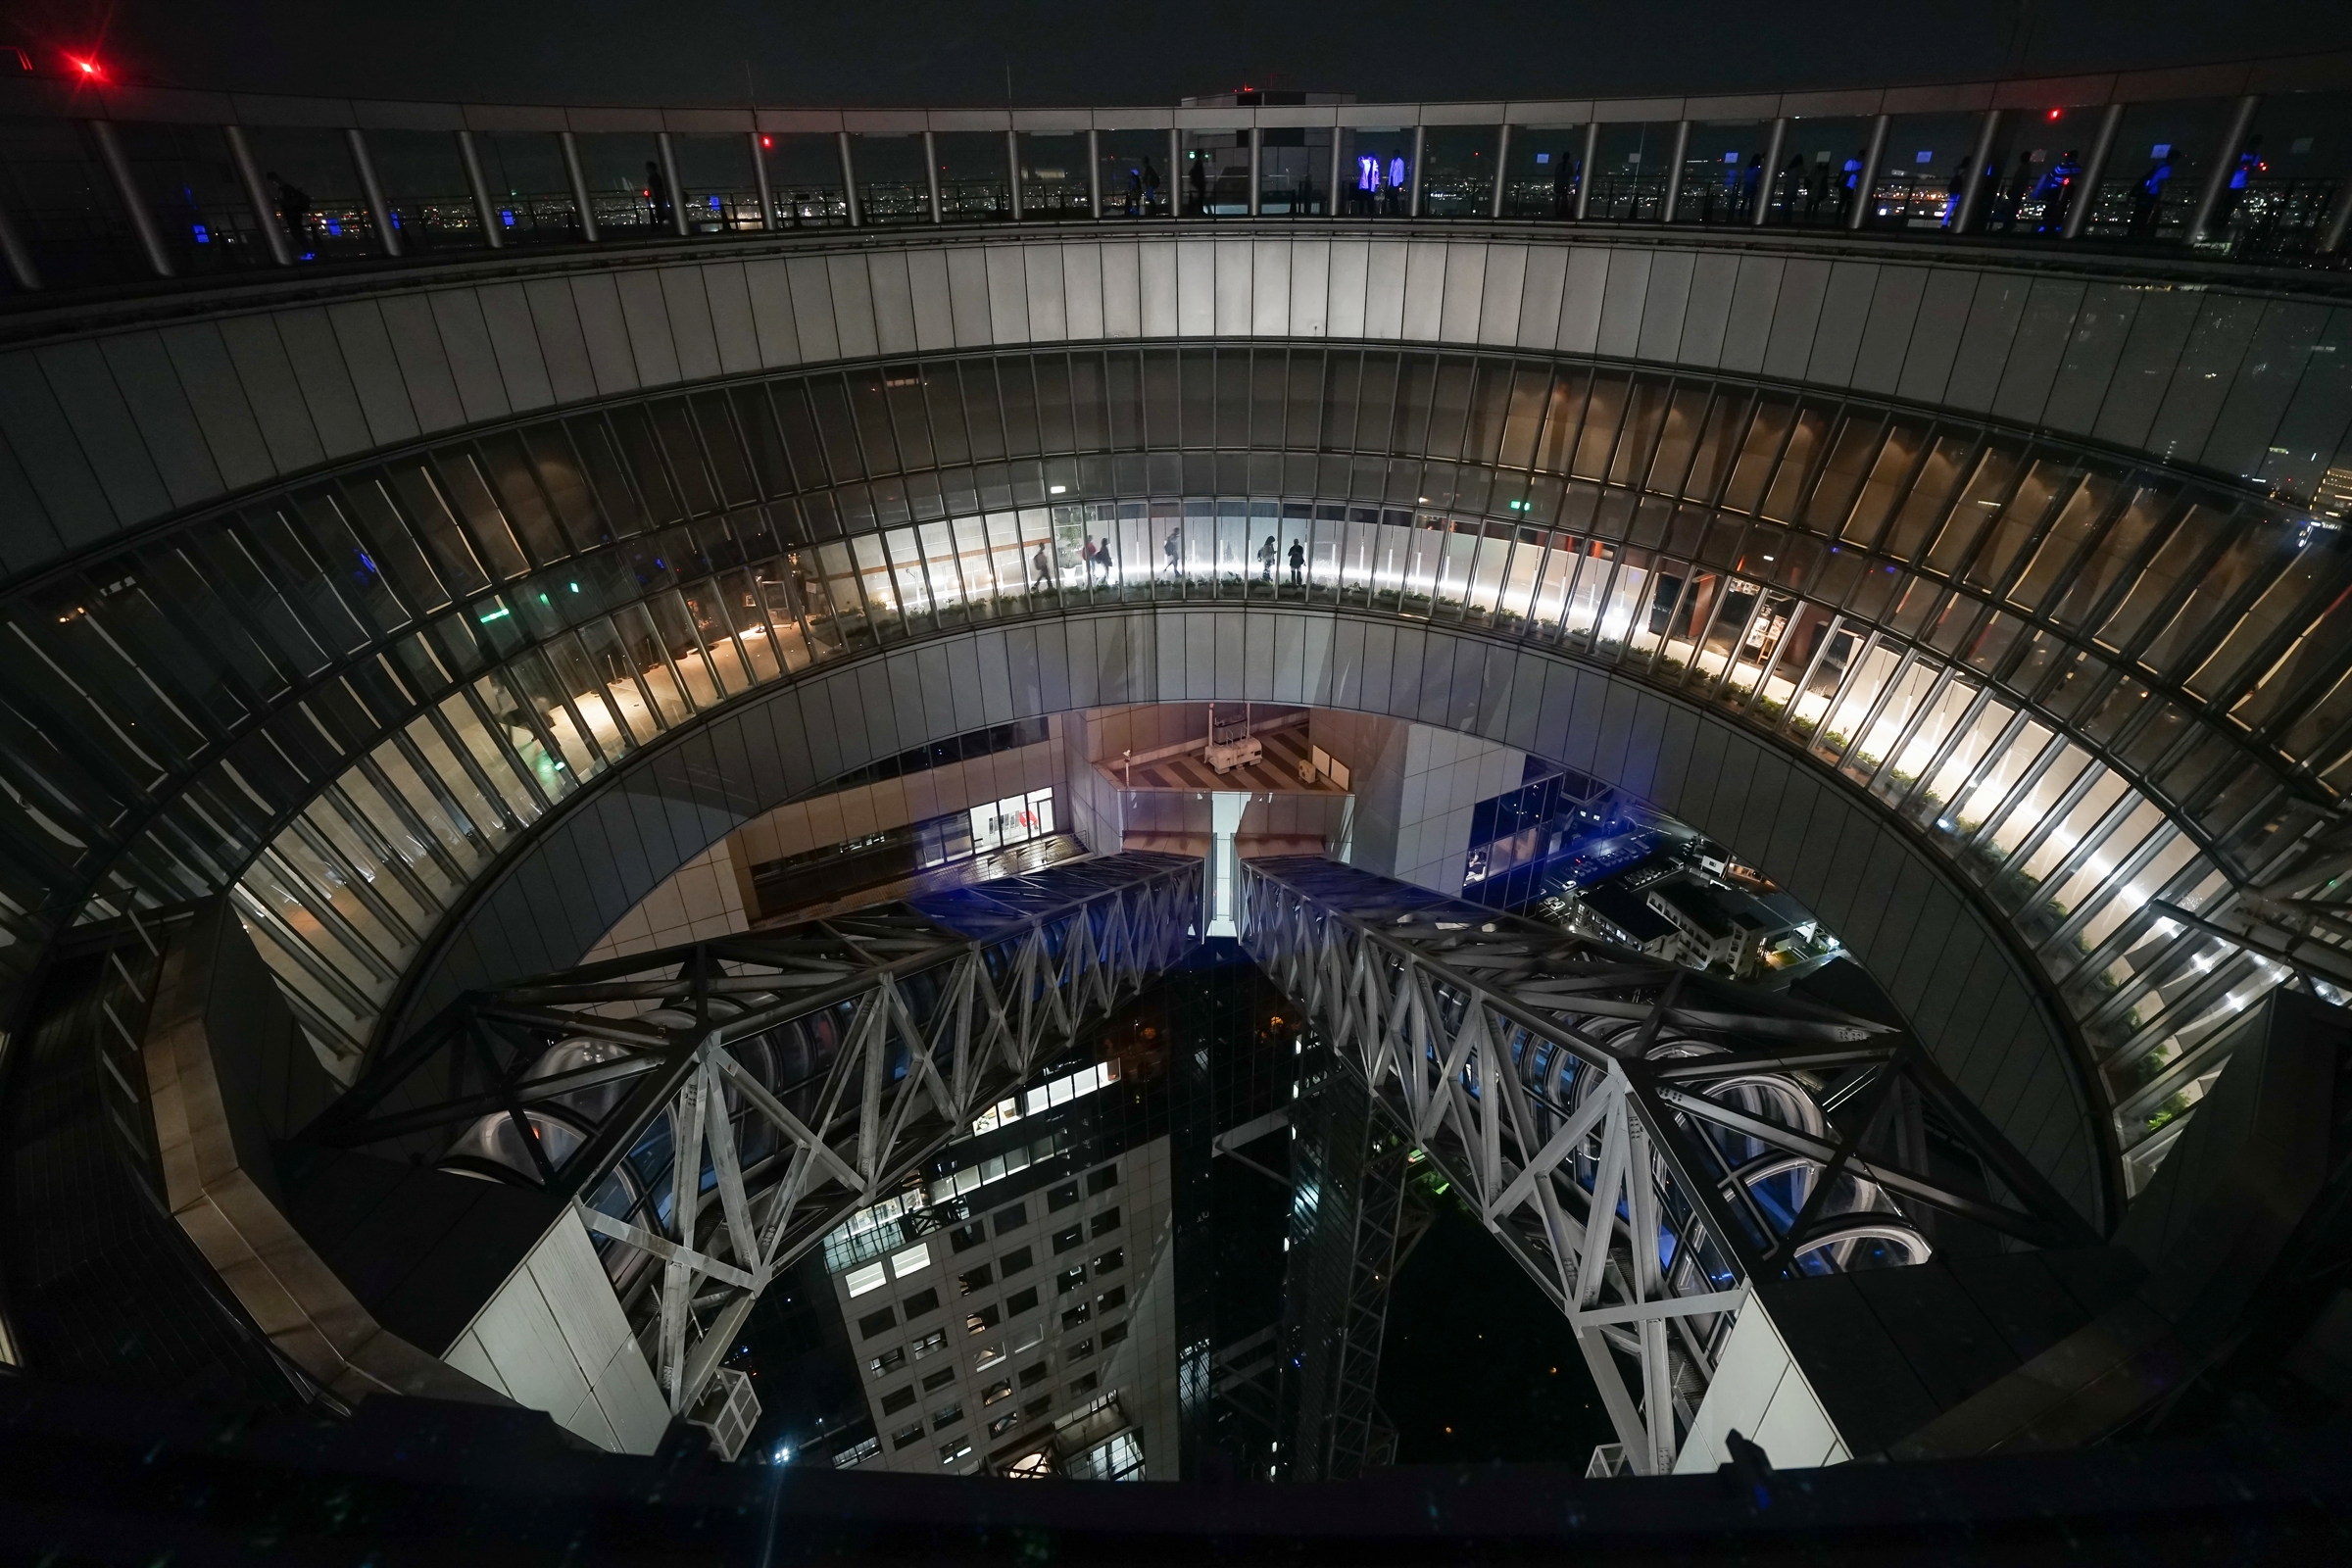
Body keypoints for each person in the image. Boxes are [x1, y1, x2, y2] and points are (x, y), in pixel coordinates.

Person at [2130, 153, 2173, 238]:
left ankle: (2132, 234)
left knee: (2138, 216)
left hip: (2145, 193)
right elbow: (2163, 184)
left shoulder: (2160, 164)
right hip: (2152, 195)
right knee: (2146, 217)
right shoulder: (2167, 168)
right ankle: (2140, 235)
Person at [267, 172, 311, 247]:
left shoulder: (284, 188)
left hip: (292, 213)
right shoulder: (287, 187)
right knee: (298, 232)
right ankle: (308, 249)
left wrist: (277, 201)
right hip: (294, 213)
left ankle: (307, 249)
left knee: (296, 232)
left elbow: (287, 201)